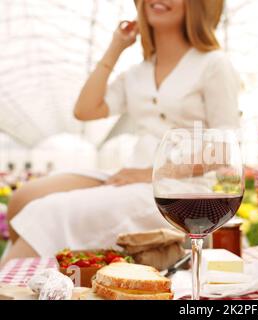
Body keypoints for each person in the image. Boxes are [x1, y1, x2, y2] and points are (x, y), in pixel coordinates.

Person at [2, 0, 240, 265]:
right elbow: (85, 110)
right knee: (24, 197)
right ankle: (39, 276)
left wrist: (153, 173)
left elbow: (224, 149)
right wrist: (116, 47)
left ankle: (14, 283)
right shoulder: (137, 74)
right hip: (129, 174)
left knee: (49, 212)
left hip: (177, 190)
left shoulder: (213, 64)